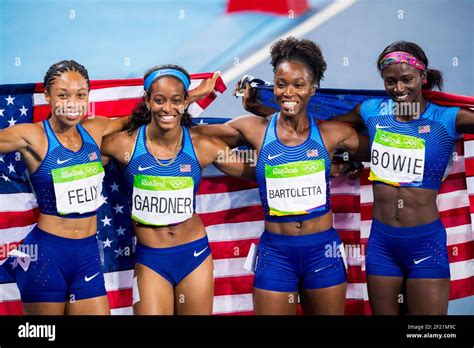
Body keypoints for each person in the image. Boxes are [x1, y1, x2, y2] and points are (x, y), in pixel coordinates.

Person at [242, 40, 474, 315]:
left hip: (425, 242)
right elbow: (317, 127)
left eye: (407, 80)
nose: (399, 89)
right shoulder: (371, 111)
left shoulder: (448, 118)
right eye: (390, 81)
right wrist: (264, 111)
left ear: (423, 77)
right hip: (382, 244)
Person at [0, 60, 218, 315]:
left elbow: (152, 115)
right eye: (62, 95)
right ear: (47, 96)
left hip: (87, 258)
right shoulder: (32, 135)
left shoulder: (96, 130)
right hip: (46, 256)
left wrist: (191, 97)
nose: (72, 103)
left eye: (80, 95)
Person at [194, 37, 370, 314]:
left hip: (322, 251)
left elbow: (389, 145)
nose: (289, 92)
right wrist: (194, 97)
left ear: (313, 88)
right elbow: (187, 136)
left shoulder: (332, 134)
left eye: (298, 85)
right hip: (276, 254)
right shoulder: (252, 130)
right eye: (281, 84)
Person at [101, 64, 255, 315]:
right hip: (151, 260)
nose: (167, 109)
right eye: (159, 100)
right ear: (147, 101)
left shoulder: (202, 146)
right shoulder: (123, 145)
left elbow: (255, 169)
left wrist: (323, 161)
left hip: (193, 255)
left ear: (185, 102)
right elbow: (80, 146)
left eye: (176, 101)